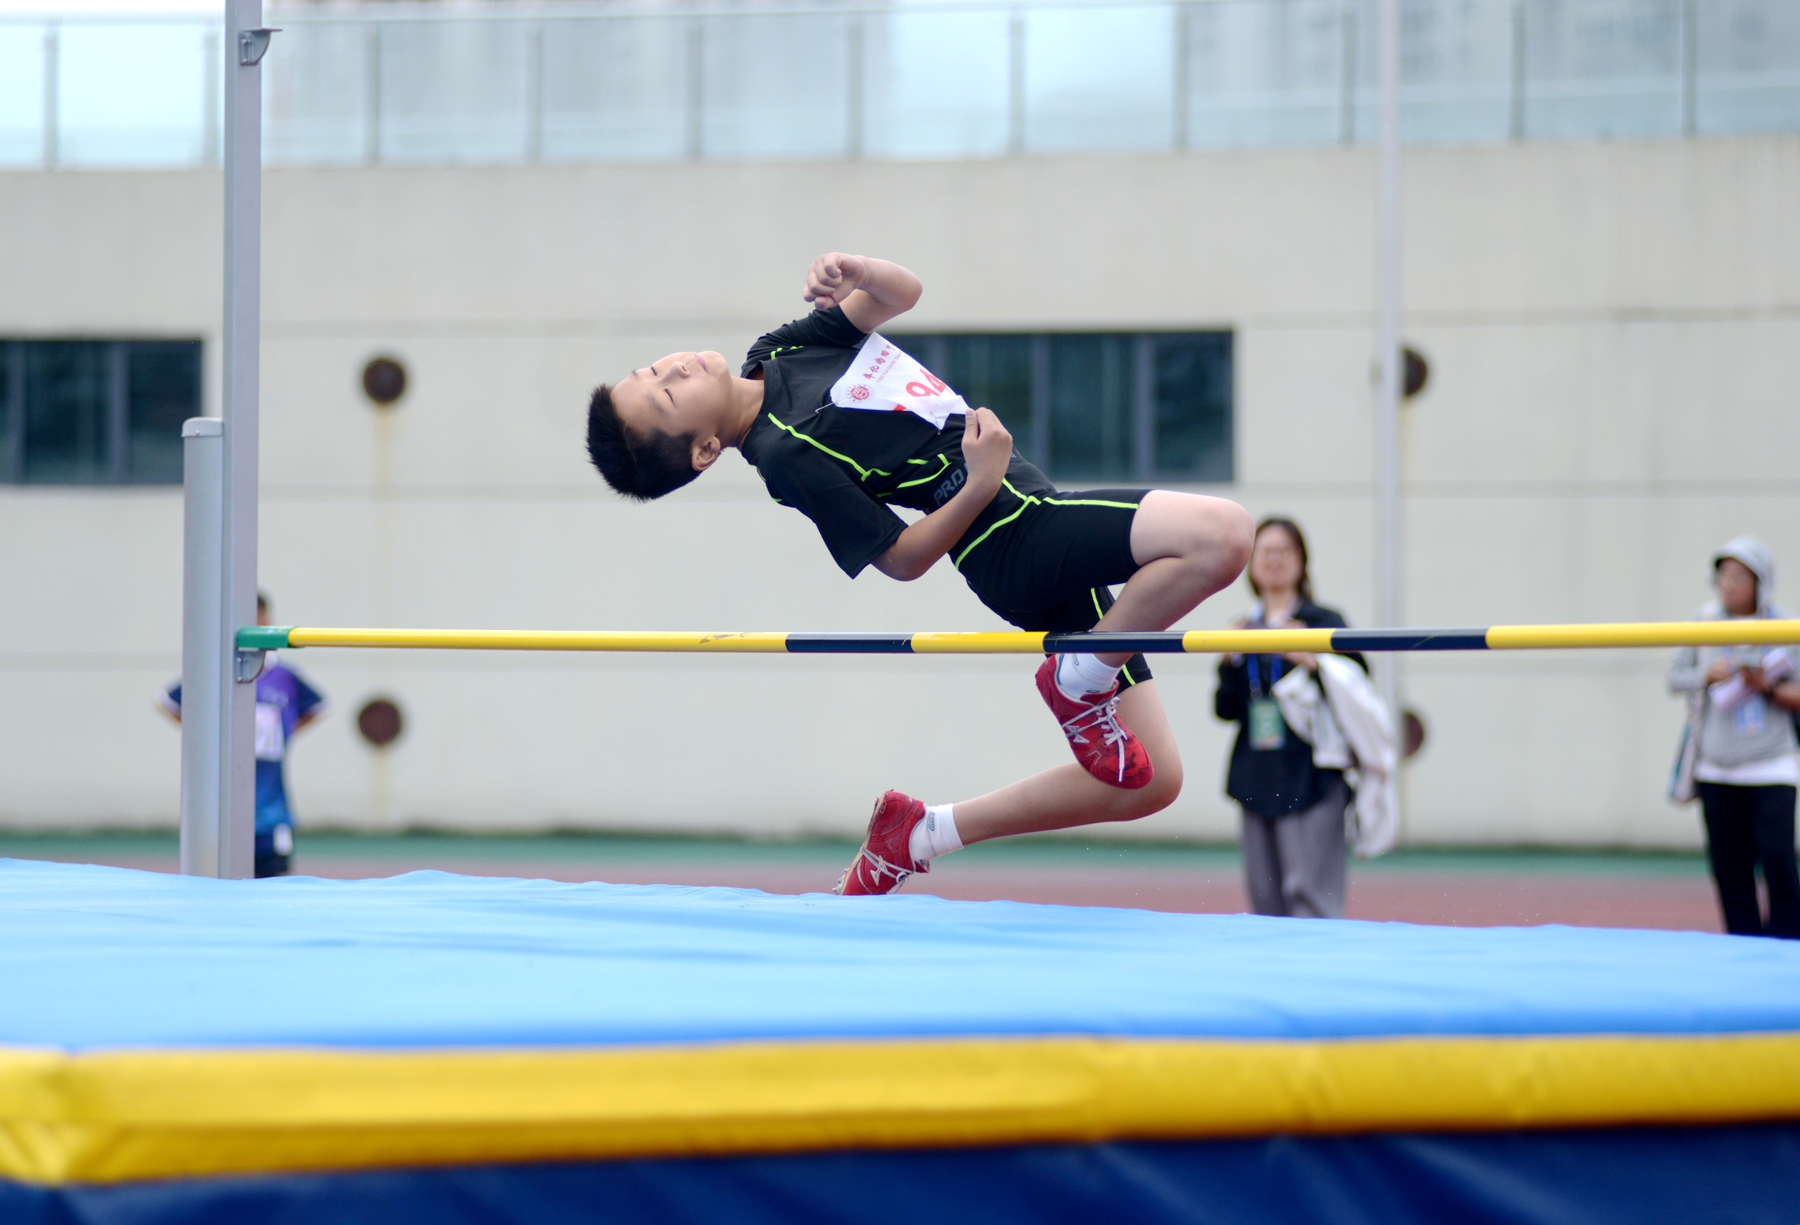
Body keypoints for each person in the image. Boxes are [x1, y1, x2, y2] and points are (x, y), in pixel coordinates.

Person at [585, 252, 1253, 894]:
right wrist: (977, 483)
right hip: (1012, 534)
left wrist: (859, 271)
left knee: (1154, 779)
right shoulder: (784, 453)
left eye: (654, 368)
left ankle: (921, 834)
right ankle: (1082, 679)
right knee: (1222, 536)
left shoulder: (780, 352)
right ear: (704, 448)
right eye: (669, 394)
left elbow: (900, 295)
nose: (673, 368)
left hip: (1025, 514)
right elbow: (900, 557)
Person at [1213, 517, 1366, 918]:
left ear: (1302, 562)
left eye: (1284, 551)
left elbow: (1358, 687)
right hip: (1256, 775)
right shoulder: (1242, 629)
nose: (1274, 560)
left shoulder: (1324, 622)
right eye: (1264, 552)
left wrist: (1313, 661)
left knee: (1311, 896)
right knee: (1265, 903)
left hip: (1312, 776)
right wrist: (1229, 662)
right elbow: (1224, 709)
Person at [1667, 537, 1800, 938]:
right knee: (1729, 864)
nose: (1730, 584)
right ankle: (1742, 942)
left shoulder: (1785, 624)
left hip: (1771, 762)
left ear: (1761, 582)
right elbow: (1675, 678)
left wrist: (1766, 686)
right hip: (1716, 765)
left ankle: (1788, 938)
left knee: (1777, 856)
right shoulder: (1703, 621)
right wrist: (1706, 676)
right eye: (1724, 575)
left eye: (1740, 576)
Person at [159, 593, 327, 878]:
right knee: (217, 879)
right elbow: (168, 701)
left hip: (270, 810)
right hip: (221, 808)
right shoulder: (215, 670)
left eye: (257, 617)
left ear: (267, 620)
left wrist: (286, 731)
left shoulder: (284, 676)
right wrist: (204, 736)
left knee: (273, 882)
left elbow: (318, 706)